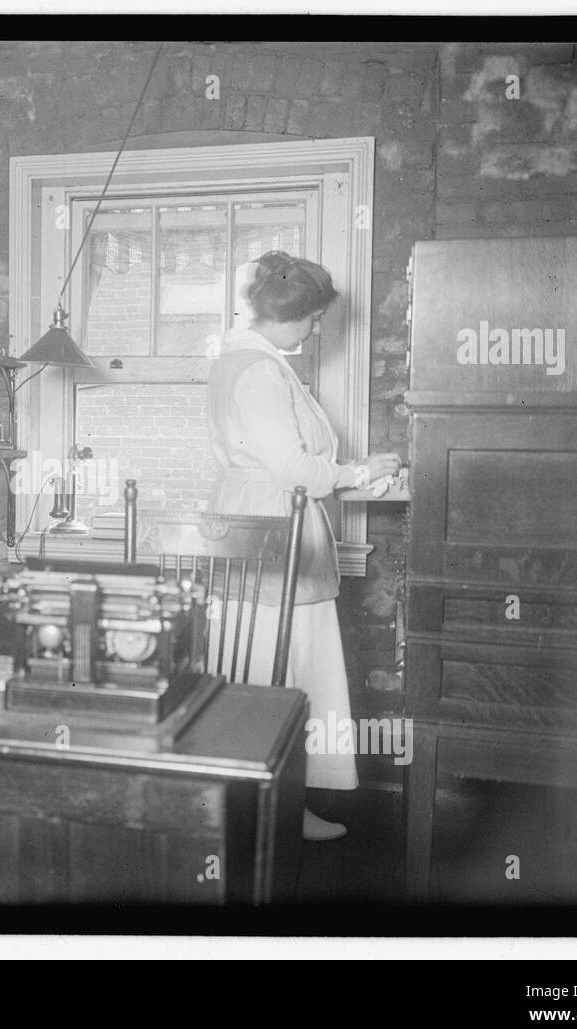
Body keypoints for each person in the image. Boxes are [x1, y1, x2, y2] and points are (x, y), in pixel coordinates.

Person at [207, 252, 400, 842]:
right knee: (279, 672)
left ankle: (274, 805)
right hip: (273, 531)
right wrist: (360, 473)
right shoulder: (260, 371)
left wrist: (352, 473)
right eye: (314, 318)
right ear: (288, 316)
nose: (317, 329)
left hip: (259, 528)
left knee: (273, 671)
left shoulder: (246, 360)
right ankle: (267, 811)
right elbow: (295, 469)